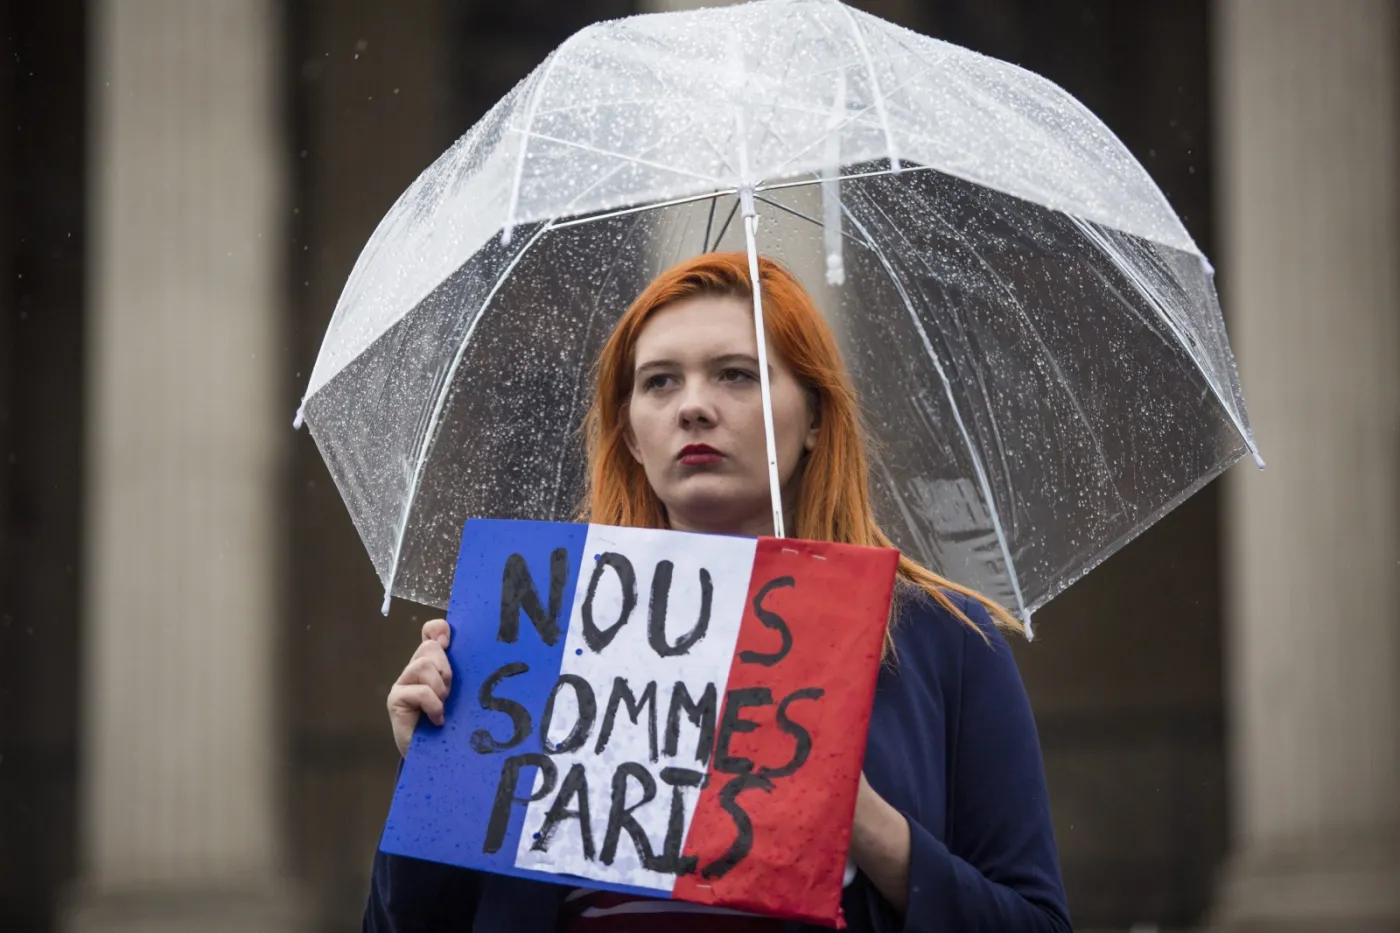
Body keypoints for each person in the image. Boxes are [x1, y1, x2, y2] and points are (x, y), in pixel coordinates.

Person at [365, 253, 1071, 932]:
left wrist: (861, 821)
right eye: (660, 382)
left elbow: (1034, 921)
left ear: (817, 418)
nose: (694, 407)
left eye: (737, 375)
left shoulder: (944, 640)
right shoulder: (538, 636)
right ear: (632, 436)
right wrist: (439, 772)